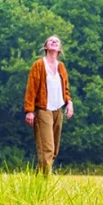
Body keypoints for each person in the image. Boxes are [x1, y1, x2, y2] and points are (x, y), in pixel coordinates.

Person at [23, 35, 73, 174]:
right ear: (46, 47)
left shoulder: (61, 67)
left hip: (58, 110)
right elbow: (31, 89)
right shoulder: (39, 65)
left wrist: (69, 102)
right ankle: (46, 182)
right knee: (47, 149)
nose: (54, 41)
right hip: (43, 110)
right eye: (51, 40)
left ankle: (38, 181)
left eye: (57, 41)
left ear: (59, 49)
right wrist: (29, 111)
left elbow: (66, 88)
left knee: (54, 150)